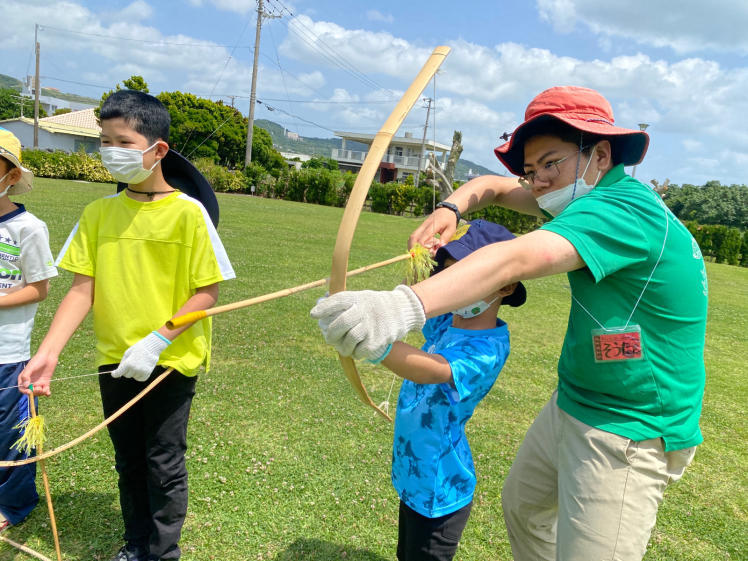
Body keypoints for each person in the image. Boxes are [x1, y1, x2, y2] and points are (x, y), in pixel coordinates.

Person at [312, 86, 707, 561]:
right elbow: (495, 188)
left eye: (550, 163)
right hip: (577, 398)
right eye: (530, 169)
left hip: (632, 426)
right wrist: (450, 208)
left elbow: (514, 258)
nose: (537, 180)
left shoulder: (620, 209)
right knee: (525, 509)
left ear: (600, 154)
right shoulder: (580, 194)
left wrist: (399, 308)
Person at [18, 90, 236, 561]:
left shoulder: (189, 214)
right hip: (114, 358)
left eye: (122, 141)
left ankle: (161, 553)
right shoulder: (99, 213)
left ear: (158, 150)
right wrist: (48, 353)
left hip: (170, 360)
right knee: (128, 459)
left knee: (162, 461)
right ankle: (136, 543)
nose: (110, 151)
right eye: (104, 140)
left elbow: (207, 293)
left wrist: (159, 338)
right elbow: (81, 289)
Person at [382, 219, 526, 561]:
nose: (452, 286)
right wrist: (418, 261)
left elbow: (431, 369)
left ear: (506, 287)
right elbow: (410, 307)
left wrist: (375, 343)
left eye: (467, 277)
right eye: (448, 274)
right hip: (416, 472)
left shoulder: (486, 348)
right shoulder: (449, 321)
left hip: (440, 488)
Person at [0, 129, 57, 533]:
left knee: (11, 434)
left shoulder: (28, 227)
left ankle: (13, 503)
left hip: (8, 353)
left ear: (12, 176)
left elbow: (40, 288)